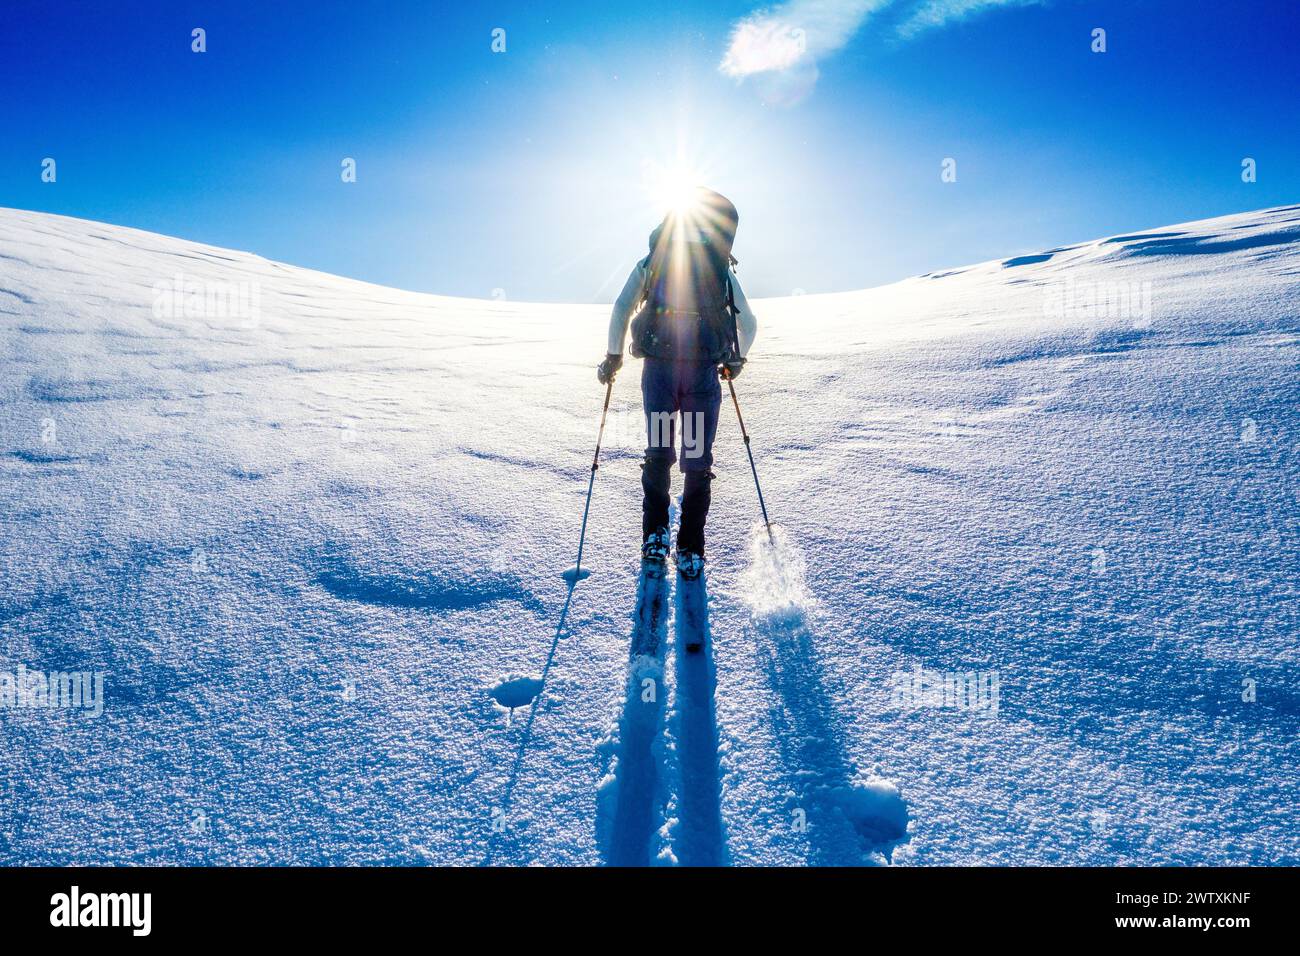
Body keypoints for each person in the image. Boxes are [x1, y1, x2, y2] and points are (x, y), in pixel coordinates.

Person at [595, 188, 758, 580]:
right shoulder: (719, 268)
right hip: (701, 373)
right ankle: (691, 546)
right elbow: (747, 324)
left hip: (660, 373)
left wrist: (614, 356)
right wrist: (735, 363)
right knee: (697, 459)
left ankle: (655, 537)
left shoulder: (653, 261)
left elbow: (621, 307)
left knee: (659, 452)